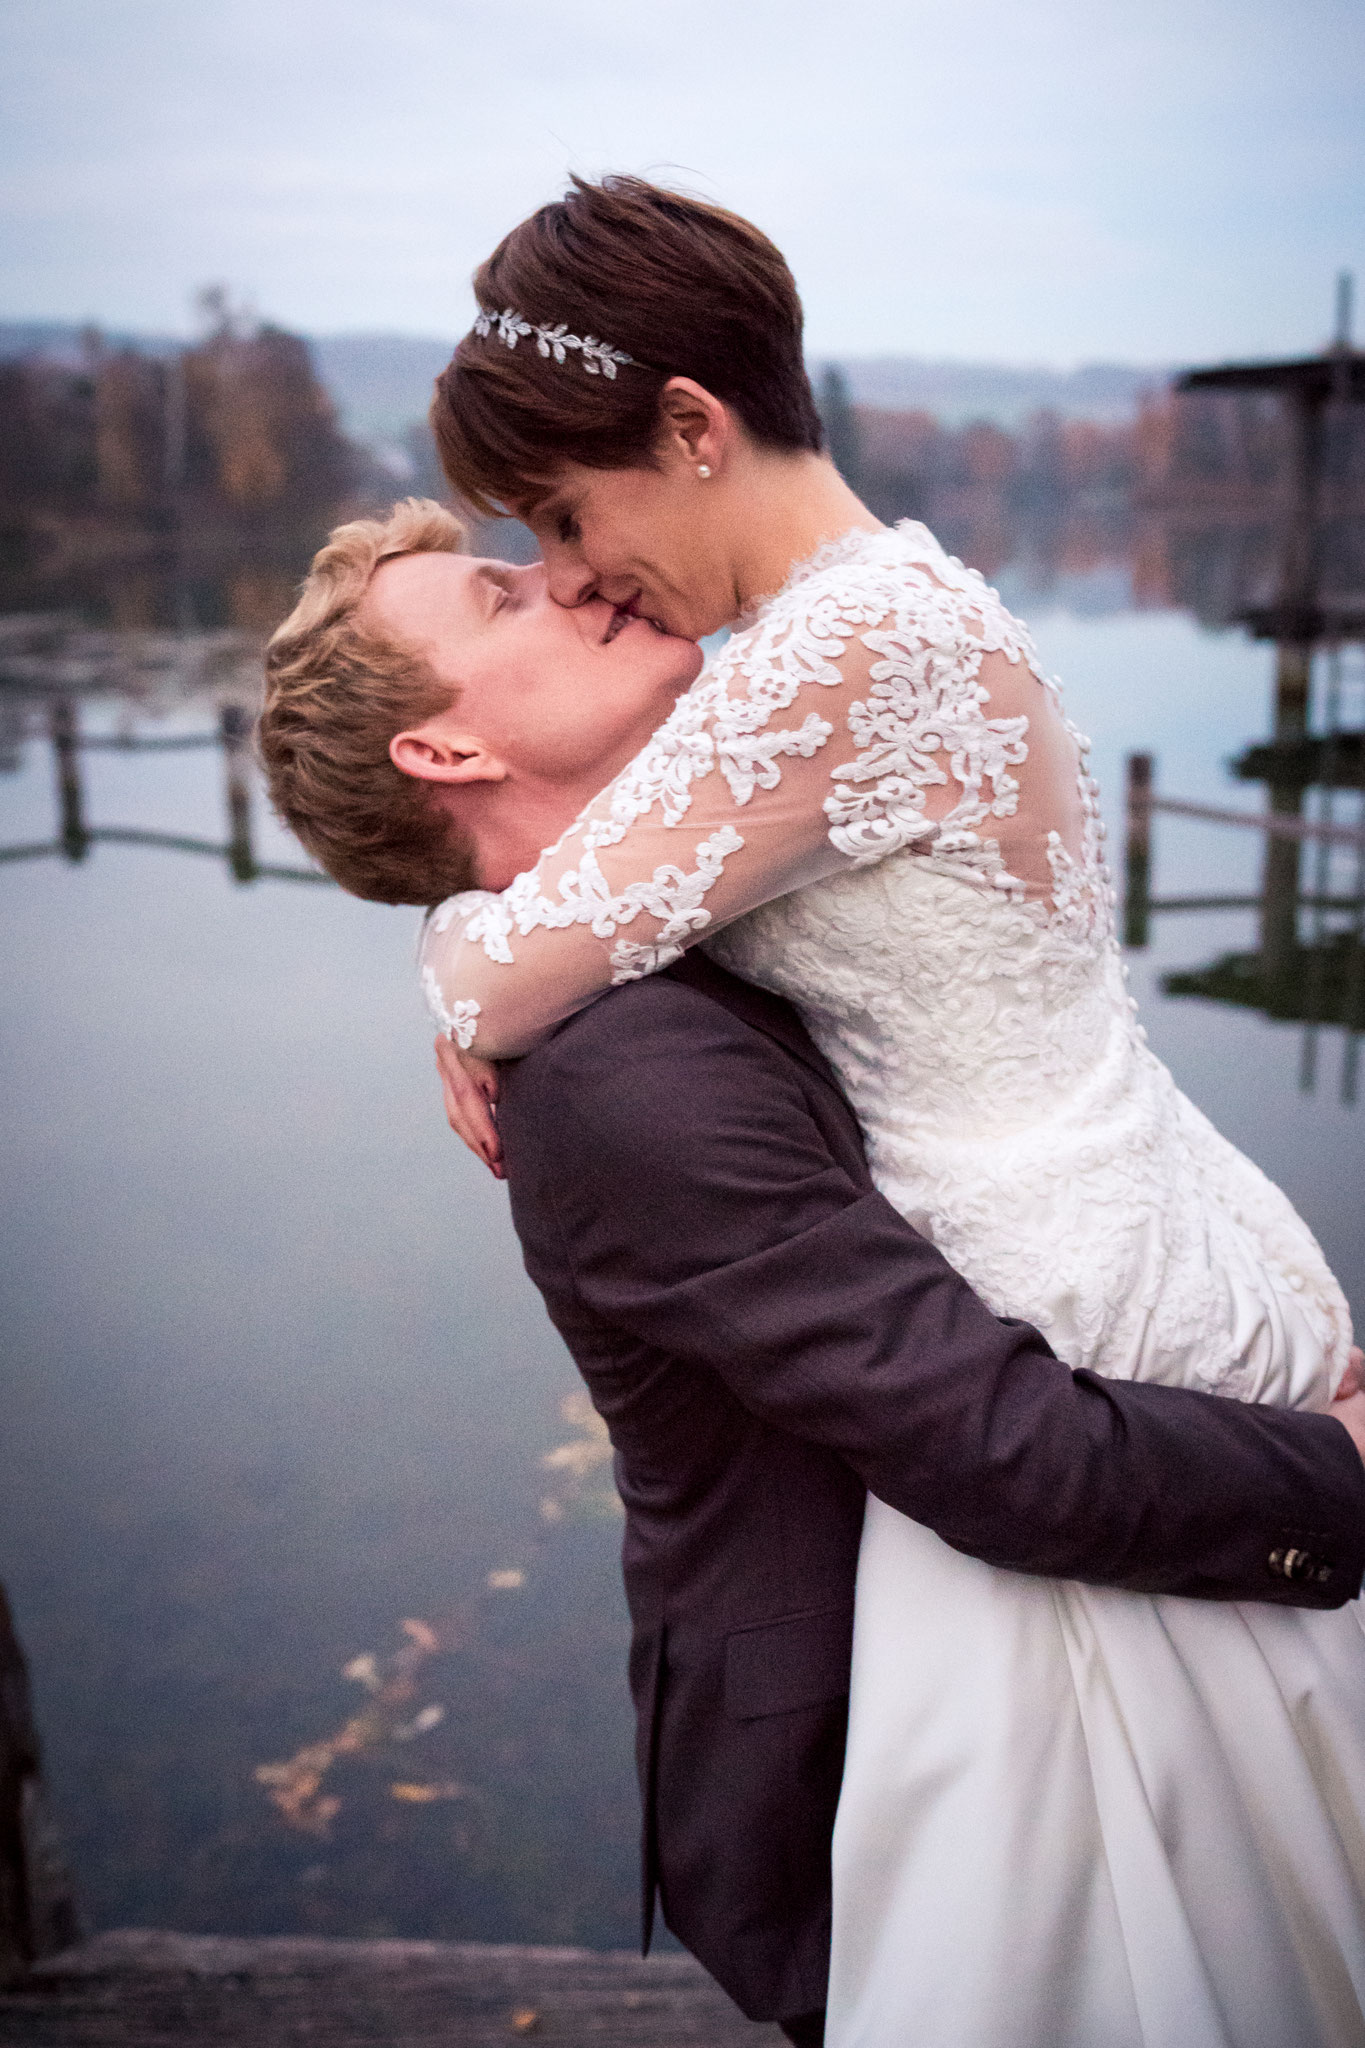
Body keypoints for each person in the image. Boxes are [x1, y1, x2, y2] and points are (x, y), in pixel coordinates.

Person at [417, 177, 1365, 2047]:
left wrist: (448, 948)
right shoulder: (872, 618)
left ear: (691, 427)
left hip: (1067, 1286)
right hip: (1129, 1207)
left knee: (1115, 1896)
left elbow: (520, 970)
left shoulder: (844, 657)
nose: (585, 572)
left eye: (573, 518)